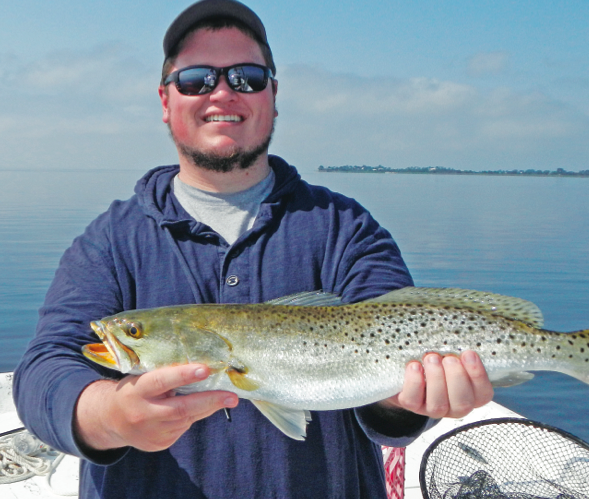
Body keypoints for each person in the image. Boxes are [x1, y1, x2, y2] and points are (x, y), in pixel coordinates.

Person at [13, 1, 493, 497]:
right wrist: (107, 415)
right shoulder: (109, 240)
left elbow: (395, 347)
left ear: (274, 94)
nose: (222, 92)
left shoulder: (347, 229)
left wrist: (404, 399)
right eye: (196, 78)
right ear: (165, 100)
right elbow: (45, 368)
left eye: (246, 77)